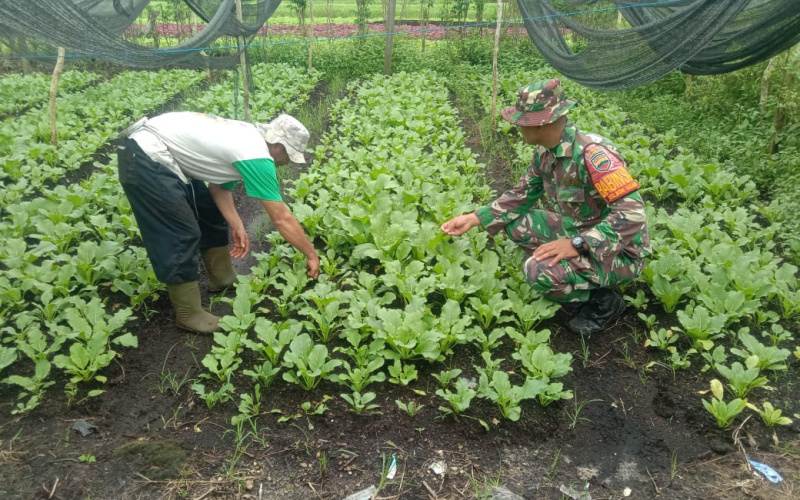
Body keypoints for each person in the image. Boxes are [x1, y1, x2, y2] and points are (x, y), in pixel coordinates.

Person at [441, 79, 650, 336]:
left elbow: (632, 214)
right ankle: (581, 276)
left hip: (620, 251)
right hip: (579, 230)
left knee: (537, 271)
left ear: (543, 122)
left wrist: (576, 245)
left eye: (522, 120)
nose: (517, 125)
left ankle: (604, 301)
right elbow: (521, 195)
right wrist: (475, 217)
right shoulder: (545, 152)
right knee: (516, 222)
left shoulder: (594, 155)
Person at [117, 111, 319, 334]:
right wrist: (311, 254)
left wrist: (237, 224)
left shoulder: (248, 140)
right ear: (279, 146)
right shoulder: (256, 155)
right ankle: (188, 314)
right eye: (289, 156)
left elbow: (219, 187)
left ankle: (222, 278)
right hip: (144, 156)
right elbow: (281, 218)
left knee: (209, 213)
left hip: (164, 153)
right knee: (180, 231)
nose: (286, 162)